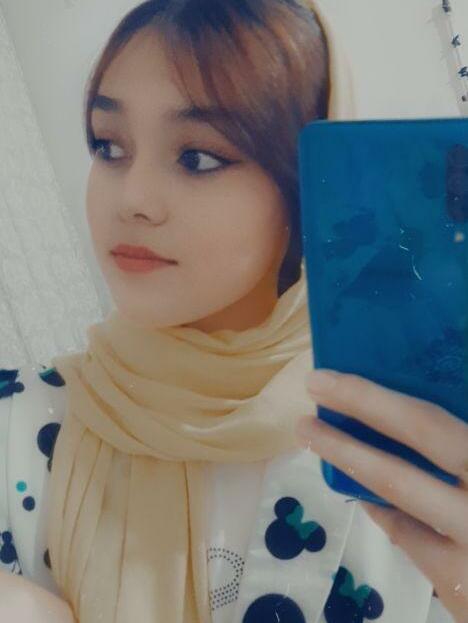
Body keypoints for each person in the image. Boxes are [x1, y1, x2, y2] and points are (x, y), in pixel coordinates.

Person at [0, 1, 466, 622]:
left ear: (304, 188)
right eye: (109, 146)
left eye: (197, 157)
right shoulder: (19, 422)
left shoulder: (410, 452)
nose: (132, 197)